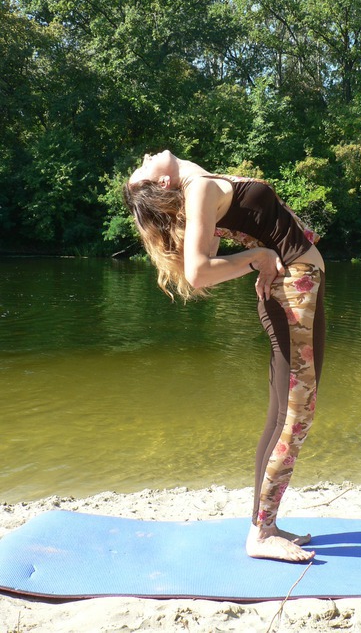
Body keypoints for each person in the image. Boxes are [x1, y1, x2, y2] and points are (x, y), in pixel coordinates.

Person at [123, 150, 325, 562]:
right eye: (142, 168)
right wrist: (257, 258)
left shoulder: (202, 185)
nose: (144, 156)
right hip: (294, 298)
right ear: (162, 183)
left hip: (299, 293)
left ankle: (264, 523)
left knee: (282, 416)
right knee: (295, 417)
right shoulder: (198, 189)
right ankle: (261, 534)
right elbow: (198, 272)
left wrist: (258, 253)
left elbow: (211, 251)